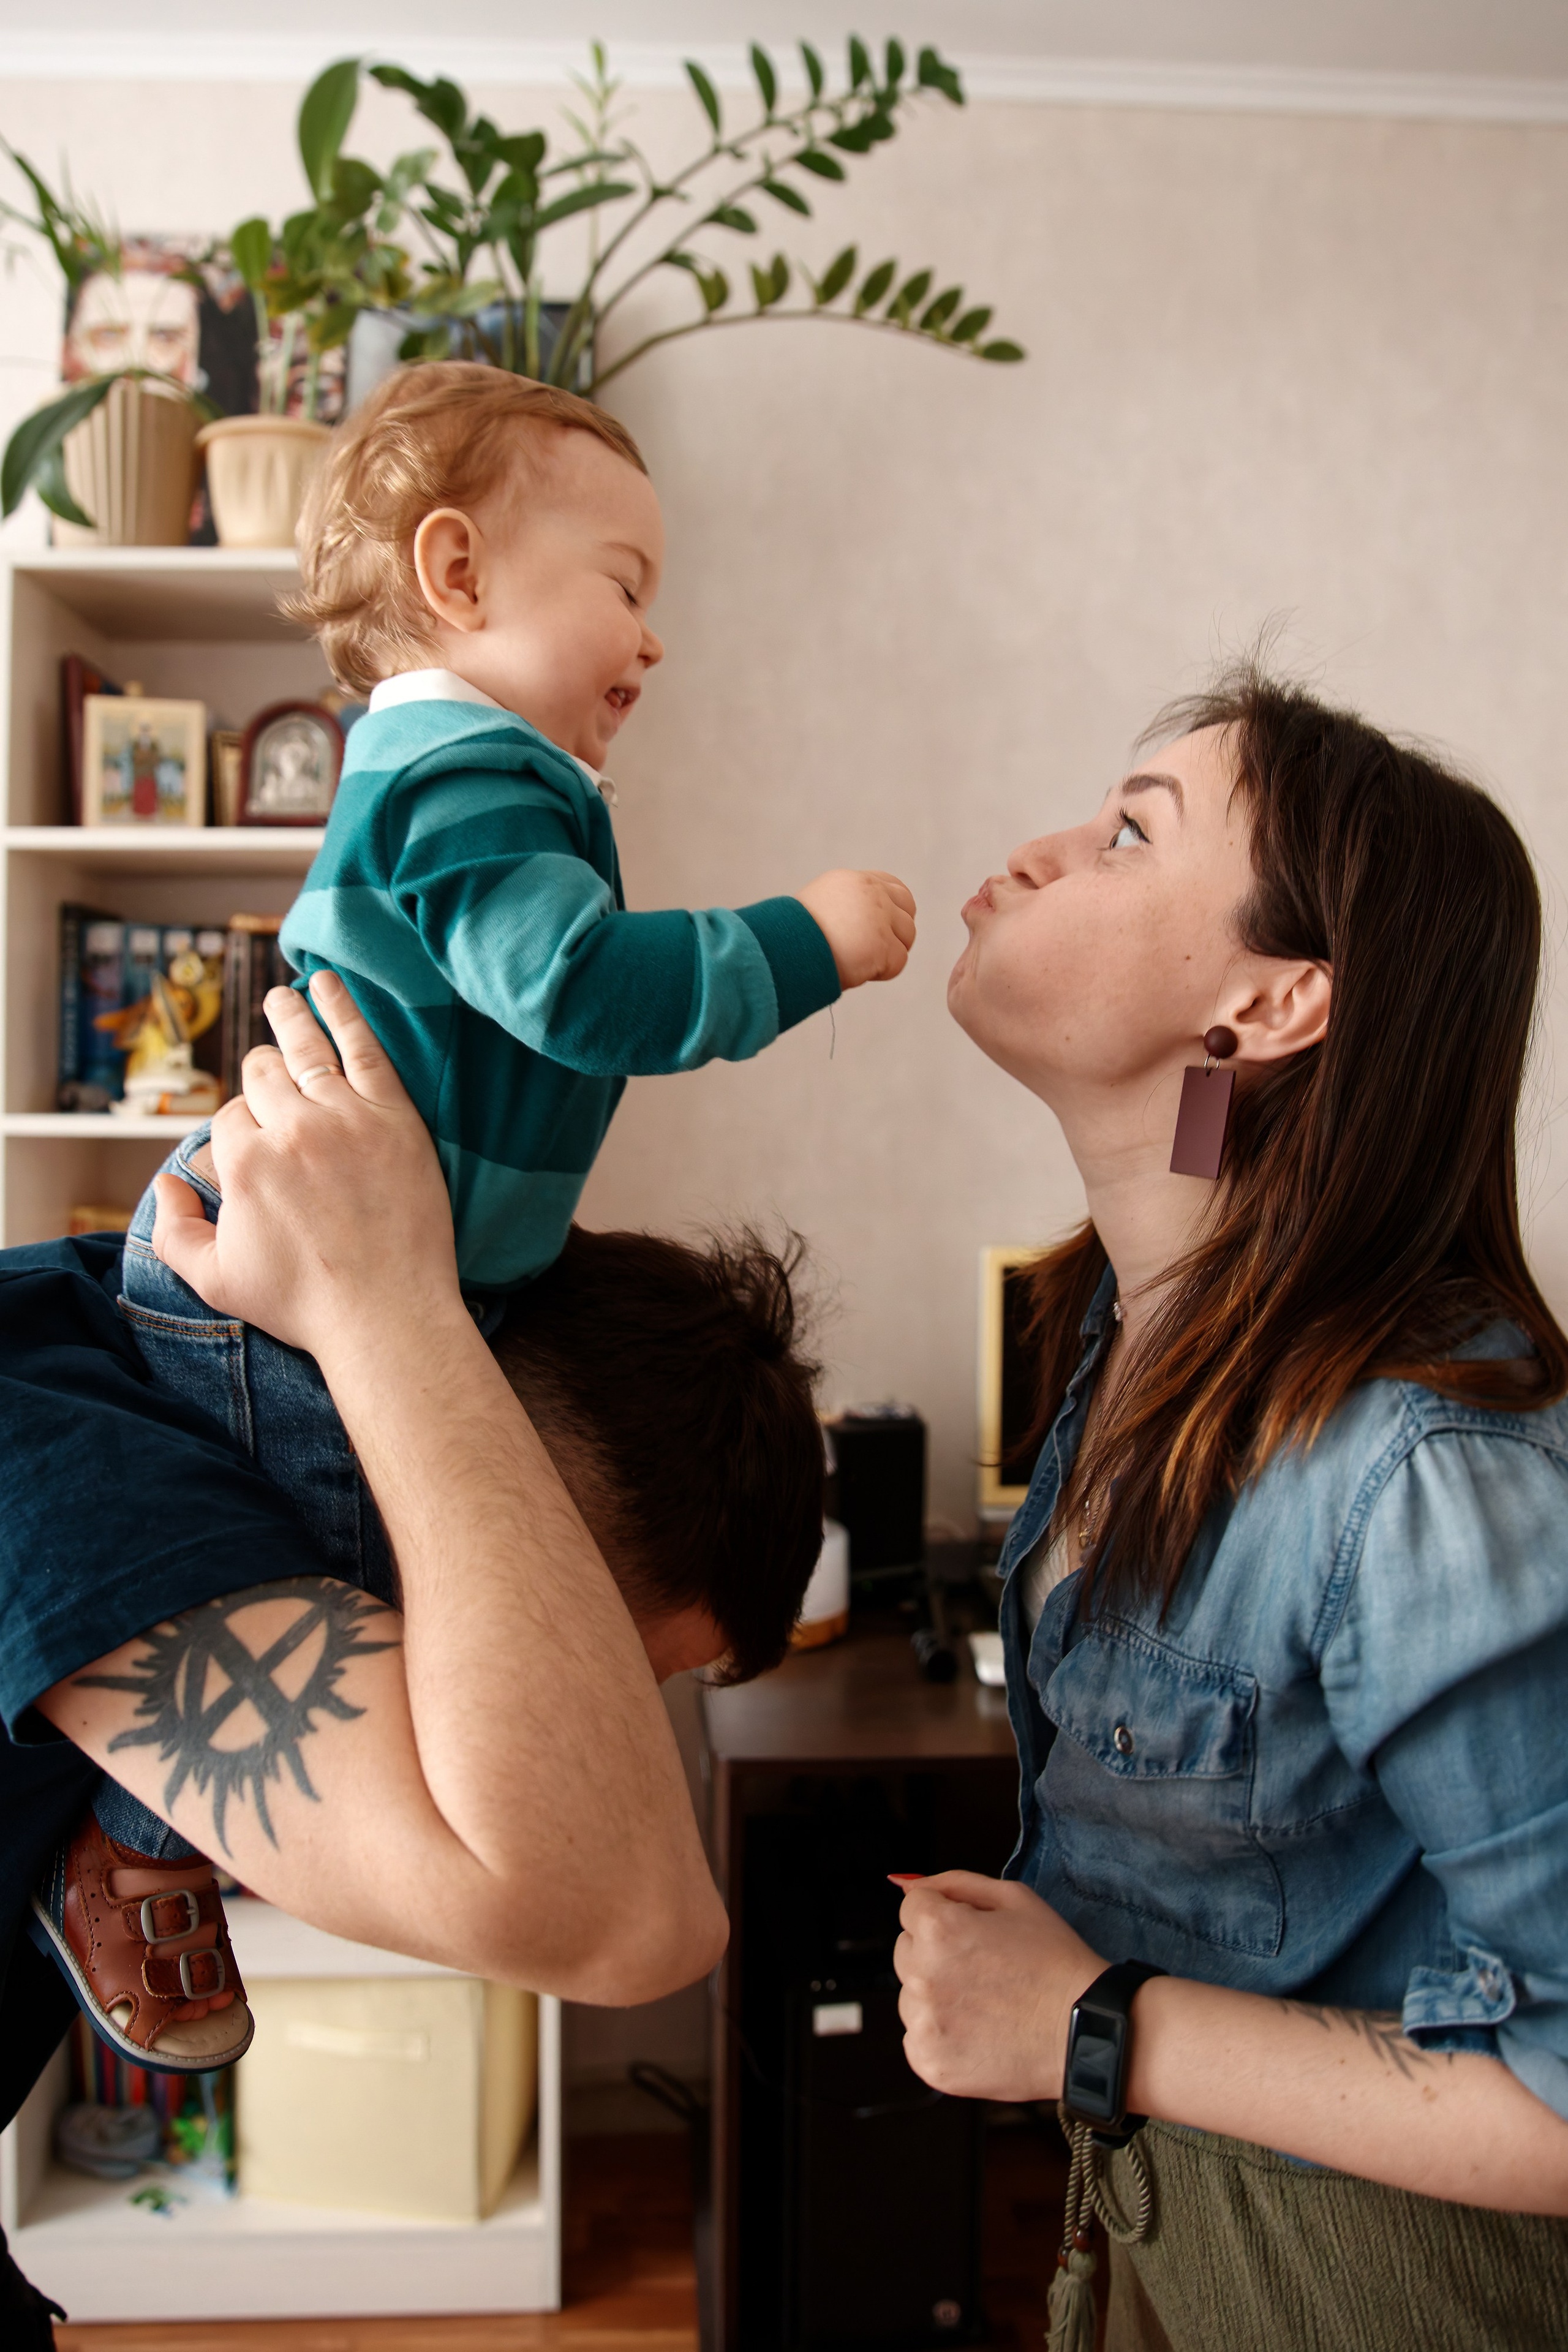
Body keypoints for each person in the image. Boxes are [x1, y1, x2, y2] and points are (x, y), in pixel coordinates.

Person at [39, 361, 917, 2070]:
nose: (651, 642)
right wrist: (807, 942)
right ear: (456, 577)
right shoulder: (462, 776)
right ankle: (137, 1845)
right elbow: (586, 992)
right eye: (627, 585)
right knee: (344, 1574)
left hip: (362, 1263)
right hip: (280, 1280)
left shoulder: (497, 783)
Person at [891, 665, 1568, 2348]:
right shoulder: (1126, 1340)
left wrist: (1092, 2021)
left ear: (1266, 1012)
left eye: (1132, 831)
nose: (1047, 852)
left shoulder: (1422, 1475)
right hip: (1162, 2242)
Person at [2, 976, 827, 2340]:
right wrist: (392, 1311)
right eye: (601, 1674)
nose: (590, 1726)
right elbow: (631, 1919)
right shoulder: (60, 1461)